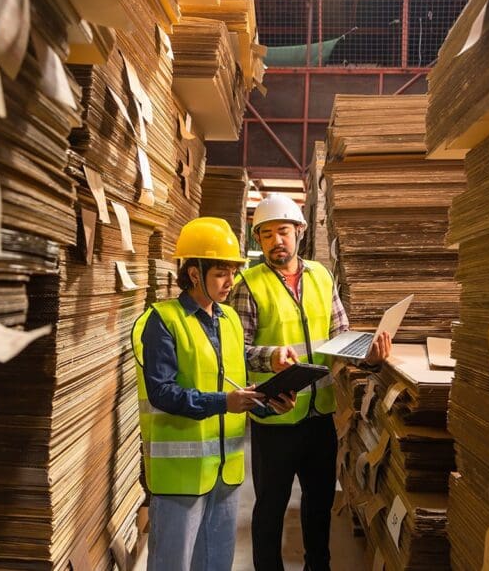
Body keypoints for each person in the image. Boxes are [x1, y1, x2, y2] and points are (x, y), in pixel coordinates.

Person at [230, 194, 391, 571]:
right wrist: (270, 356)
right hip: (275, 419)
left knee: (318, 505)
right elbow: (238, 349)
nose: (275, 242)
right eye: (266, 235)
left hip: (321, 416)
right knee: (270, 508)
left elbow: (340, 333)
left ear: (299, 231)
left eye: (282, 231)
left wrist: (366, 353)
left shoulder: (321, 275)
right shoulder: (248, 284)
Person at [132, 217, 295, 571]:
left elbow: (236, 386)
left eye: (233, 272)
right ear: (194, 272)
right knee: (171, 565)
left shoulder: (231, 320)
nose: (230, 282)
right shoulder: (162, 321)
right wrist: (224, 403)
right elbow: (162, 392)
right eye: (221, 273)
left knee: (216, 564)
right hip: (180, 475)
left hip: (226, 471)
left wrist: (269, 405)